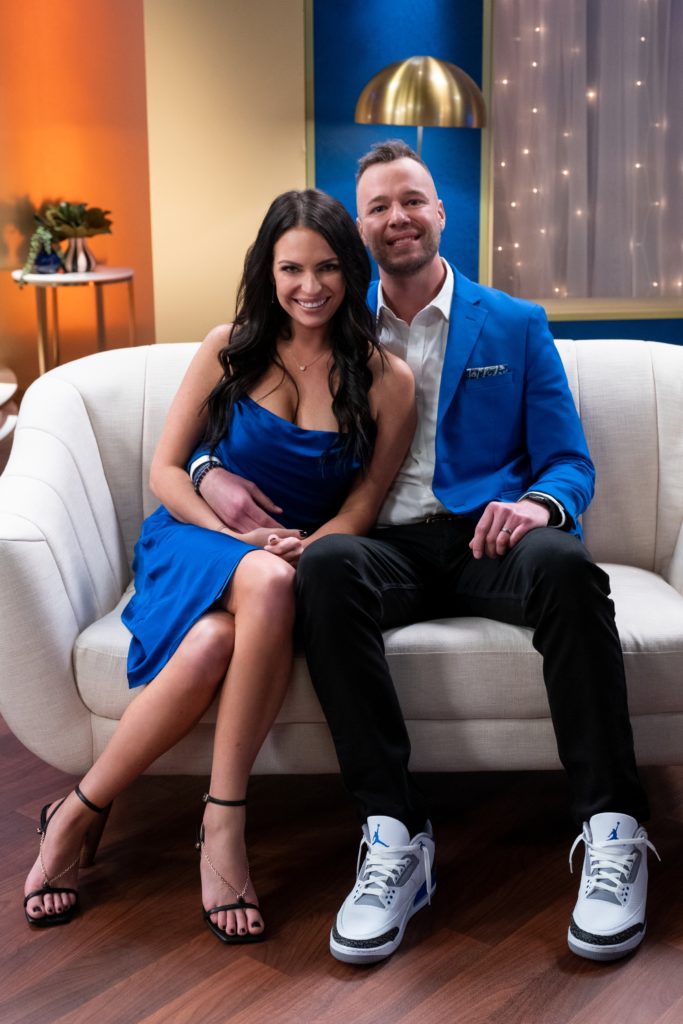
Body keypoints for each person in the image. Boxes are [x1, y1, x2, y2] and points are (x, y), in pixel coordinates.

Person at [196, 142, 659, 966]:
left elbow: (568, 462)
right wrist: (204, 470)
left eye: (411, 200)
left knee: (564, 566)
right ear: (357, 229)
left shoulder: (513, 325)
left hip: (492, 540)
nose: (397, 217)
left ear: (441, 212)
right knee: (329, 570)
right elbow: (232, 414)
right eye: (377, 206)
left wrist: (534, 504)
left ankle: (611, 828)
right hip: (383, 545)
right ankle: (394, 836)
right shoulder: (328, 319)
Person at [22, 188, 415, 945]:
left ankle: (76, 811)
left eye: (329, 268)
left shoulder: (387, 379)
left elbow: (364, 505)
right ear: (266, 271)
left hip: (293, 558)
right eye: (291, 268)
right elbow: (167, 472)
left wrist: (314, 545)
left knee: (213, 641)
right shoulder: (228, 347)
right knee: (263, 578)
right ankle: (224, 822)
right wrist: (229, 522)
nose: (310, 287)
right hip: (195, 538)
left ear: (353, 271)